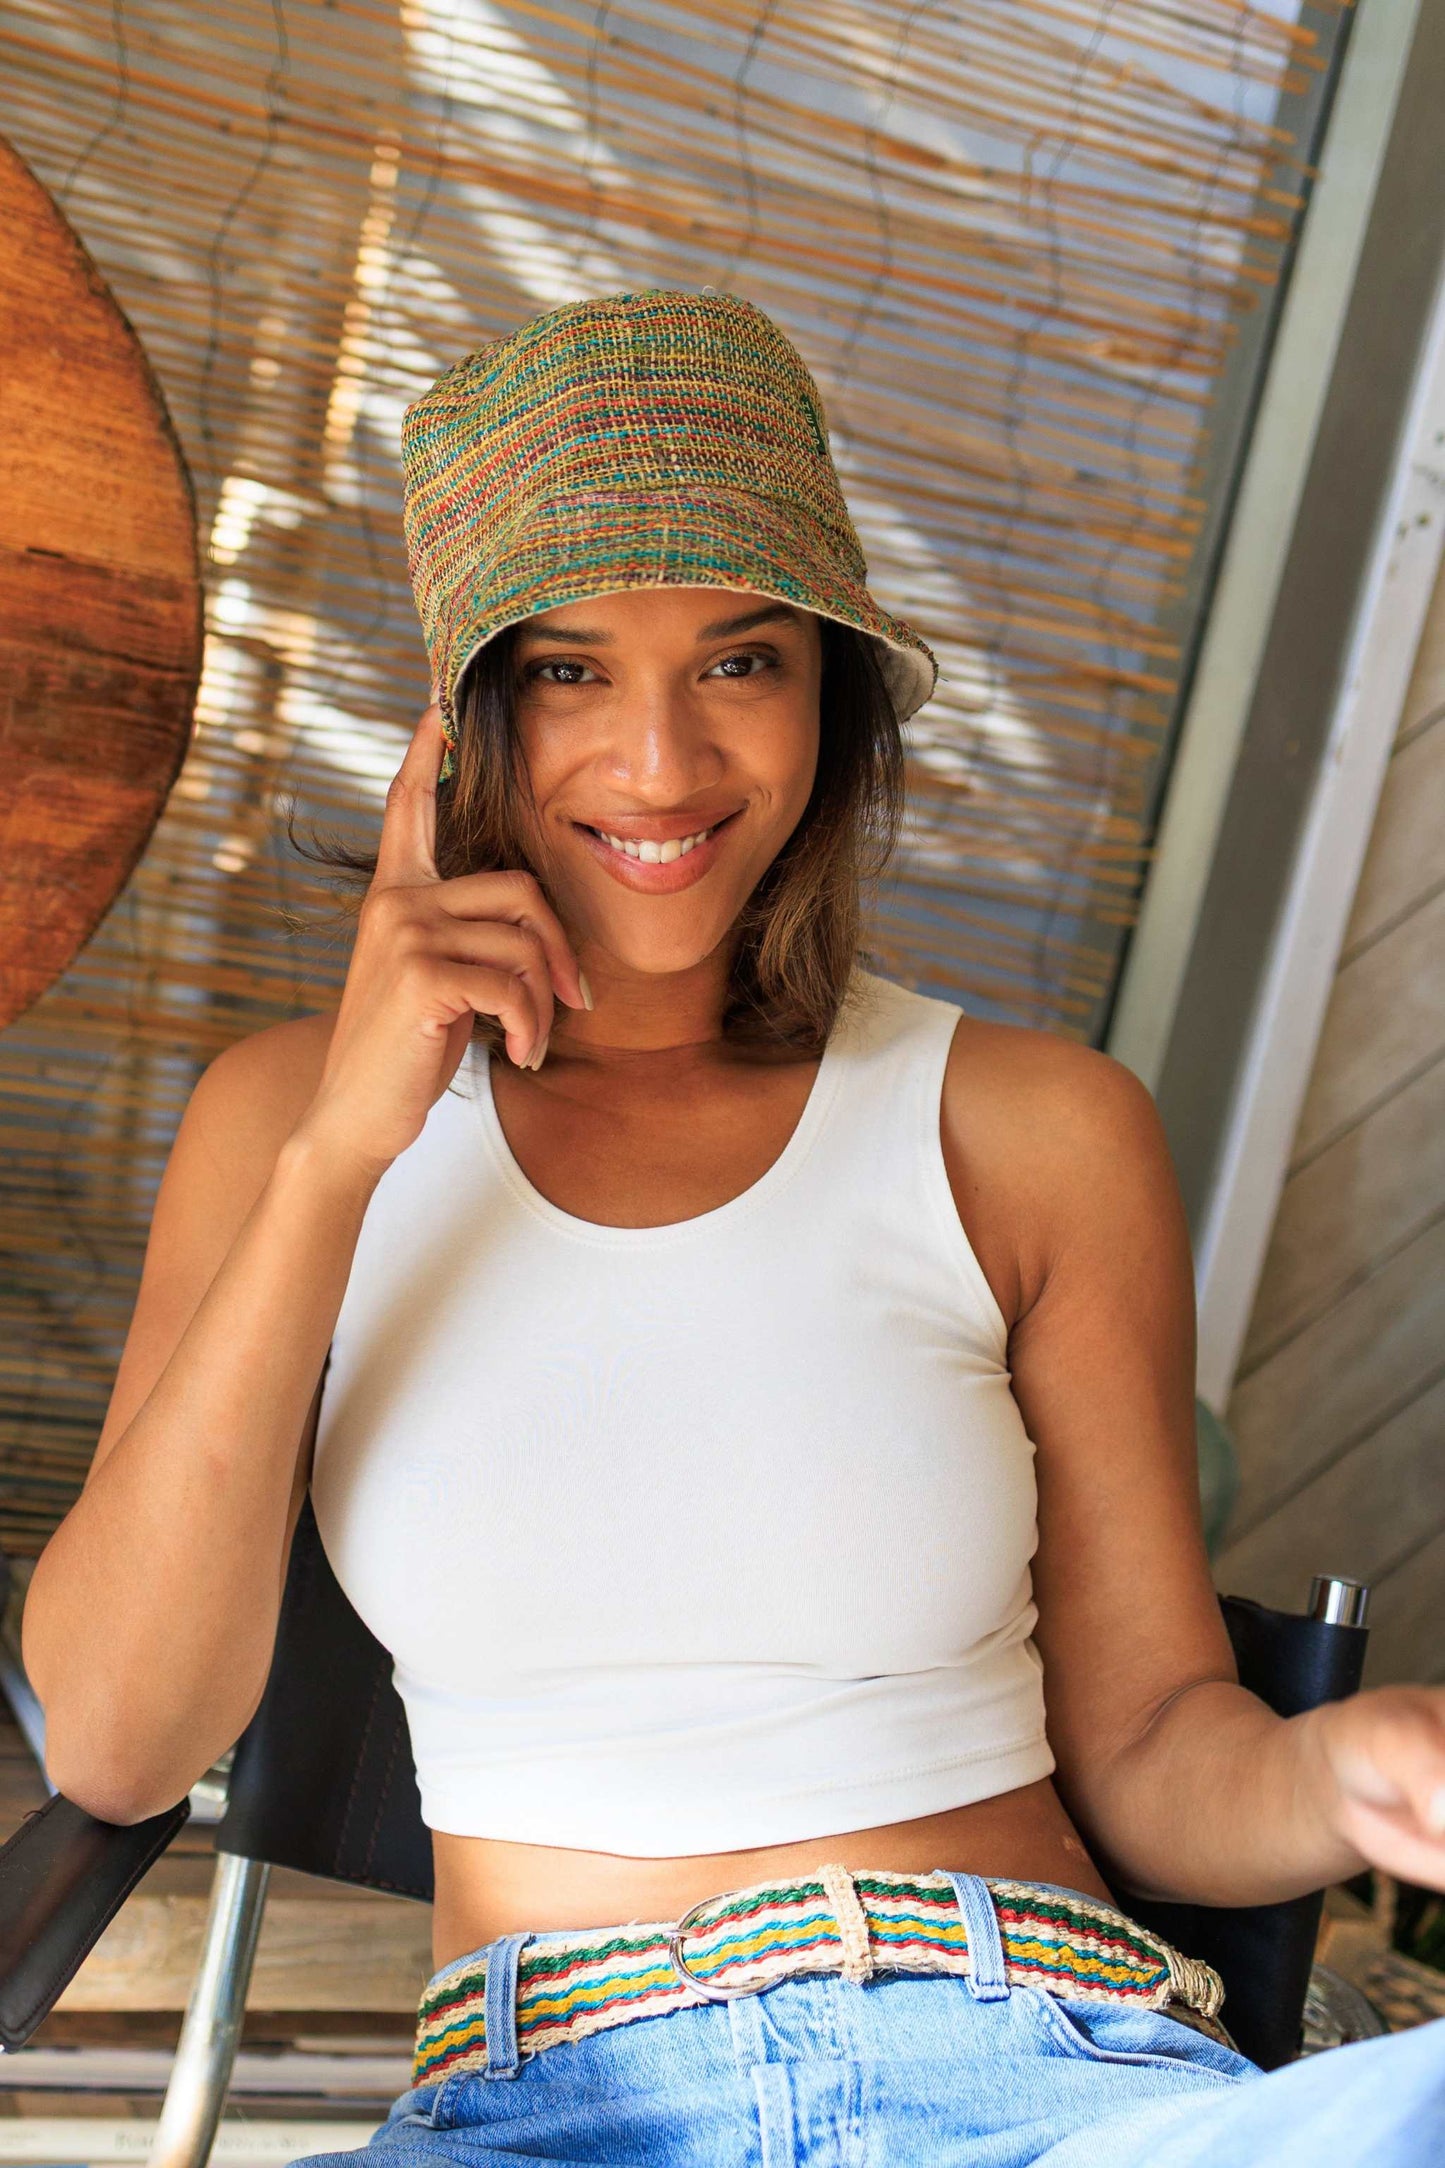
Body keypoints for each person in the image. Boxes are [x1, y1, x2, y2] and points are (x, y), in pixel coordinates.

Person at [20, 290, 1445, 2165]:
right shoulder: (286, 1130)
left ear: (826, 693)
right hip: (545, 2106)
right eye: (569, 672)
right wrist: (342, 1158)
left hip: (1035, 2072)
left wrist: (1335, 1772)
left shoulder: (1031, 1132)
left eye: (742, 661)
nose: (665, 763)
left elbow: (1157, 1748)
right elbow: (118, 1741)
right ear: (462, 723)